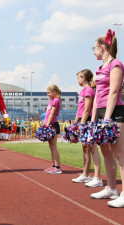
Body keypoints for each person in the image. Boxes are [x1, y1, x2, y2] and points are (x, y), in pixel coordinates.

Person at [90, 29, 124, 207]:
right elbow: (97, 95)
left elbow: (113, 92)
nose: (94, 51)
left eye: (94, 48)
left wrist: (107, 119)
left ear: (102, 47)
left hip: (115, 111)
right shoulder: (99, 68)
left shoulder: (116, 64)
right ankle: (111, 188)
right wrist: (94, 120)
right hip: (102, 112)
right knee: (105, 151)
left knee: (119, 153)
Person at [72, 69, 102, 187]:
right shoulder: (83, 91)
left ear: (83, 78)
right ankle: (85, 174)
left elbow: (87, 109)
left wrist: (82, 124)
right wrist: (75, 122)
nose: (78, 79)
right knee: (85, 148)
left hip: (88, 120)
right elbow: (79, 109)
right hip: (82, 120)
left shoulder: (89, 90)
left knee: (93, 148)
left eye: (79, 77)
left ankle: (97, 177)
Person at [43, 85, 62, 174]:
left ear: (54, 92)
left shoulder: (56, 100)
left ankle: (57, 167)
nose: (47, 94)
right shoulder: (51, 101)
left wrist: (47, 125)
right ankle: (53, 165)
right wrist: (45, 124)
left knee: (54, 147)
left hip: (53, 125)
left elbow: (52, 114)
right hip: (49, 125)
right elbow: (47, 114)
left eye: (48, 92)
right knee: (51, 147)